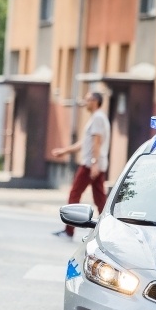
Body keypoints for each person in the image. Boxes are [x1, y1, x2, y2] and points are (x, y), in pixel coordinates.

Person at [51, 91, 110, 240]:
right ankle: (107, 230)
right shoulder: (98, 117)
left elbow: (97, 142)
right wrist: (65, 151)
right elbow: (86, 143)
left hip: (90, 165)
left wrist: (94, 164)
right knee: (100, 200)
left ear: (95, 101)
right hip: (95, 164)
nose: (84, 102)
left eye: (87, 99)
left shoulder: (97, 118)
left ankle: (69, 231)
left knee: (74, 193)